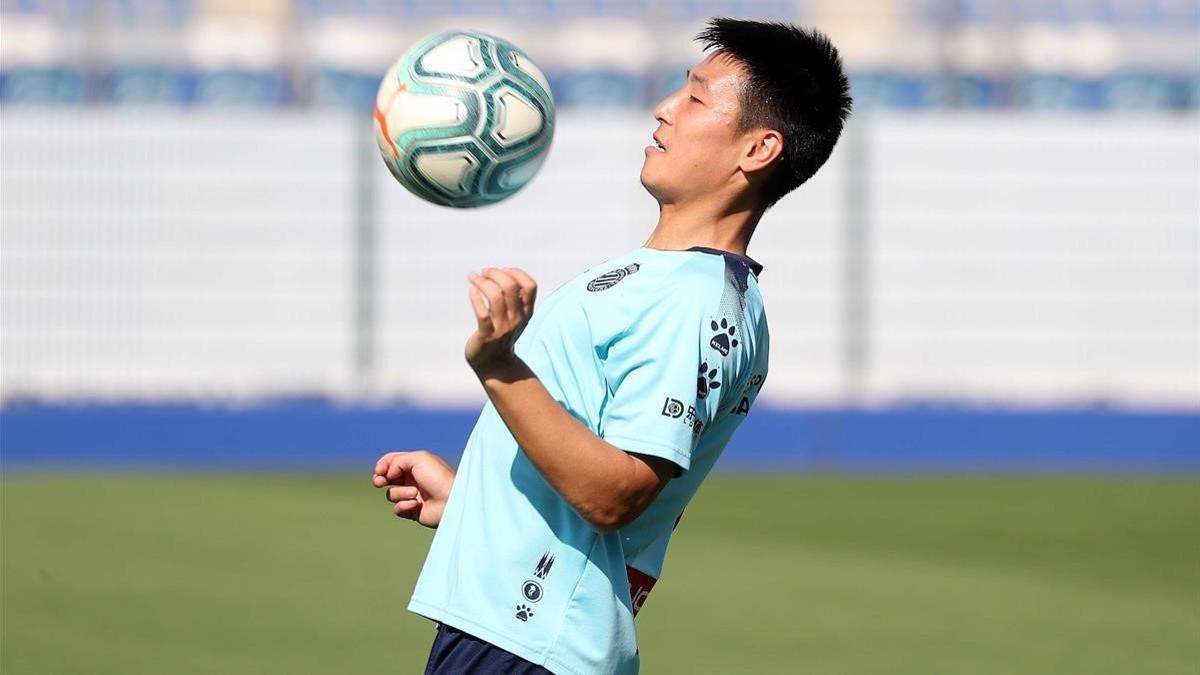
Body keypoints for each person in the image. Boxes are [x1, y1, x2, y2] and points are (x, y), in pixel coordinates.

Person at [371, 17, 852, 675]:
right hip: (512, 634)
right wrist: (477, 504)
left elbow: (618, 493)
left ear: (758, 148)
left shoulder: (692, 301)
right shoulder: (672, 283)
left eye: (696, 97)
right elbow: (612, 511)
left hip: (530, 644)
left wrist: (499, 366)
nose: (665, 109)